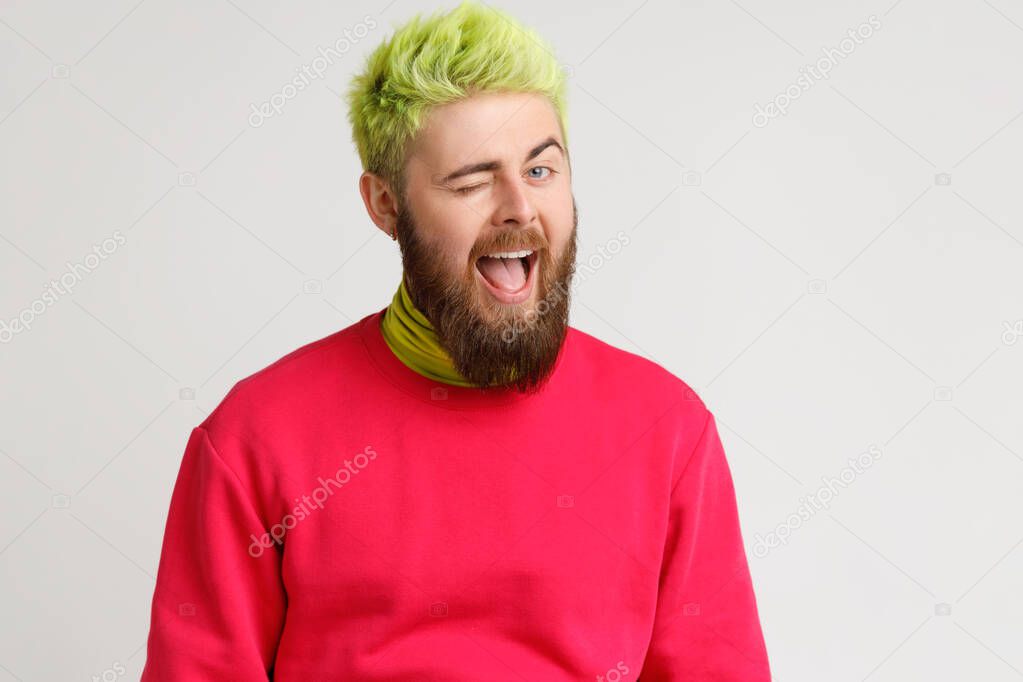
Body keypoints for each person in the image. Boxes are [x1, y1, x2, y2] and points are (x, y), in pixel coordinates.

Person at [140, 1, 771, 679]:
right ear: (385, 205)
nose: (518, 208)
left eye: (539, 171)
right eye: (472, 180)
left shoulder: (665, 426)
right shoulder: (254, 436)